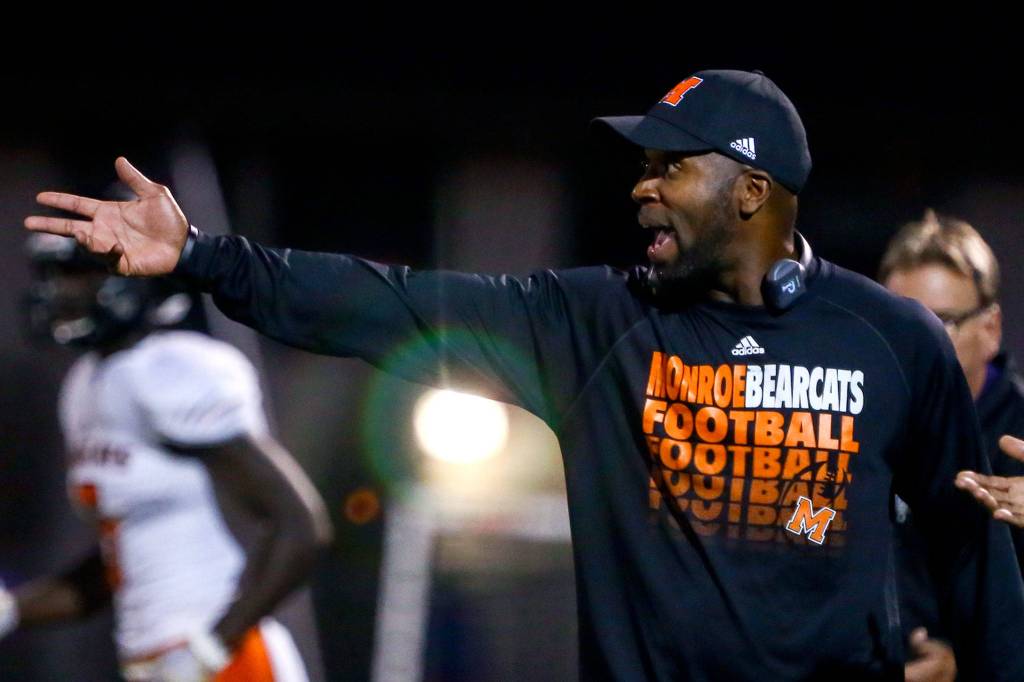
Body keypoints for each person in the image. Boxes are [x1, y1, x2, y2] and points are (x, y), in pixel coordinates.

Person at [23, 69, 1024, 680]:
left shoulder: (892, 339)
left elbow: (969, 561)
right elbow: (395, 303)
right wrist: (205, 255)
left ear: (751, 189)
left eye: (669, 166)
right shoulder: (601, 321)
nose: (641, 188)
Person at [0, 233, 333, 681]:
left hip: (226, 660)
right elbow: (118, 561)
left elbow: (301, 525)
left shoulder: (169, 372)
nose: (60, 290)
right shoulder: (86, 384)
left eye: (78, 273)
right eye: (55, 275)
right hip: (156, 661)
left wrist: (212, 648)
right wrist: (12, 609)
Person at [880, 211, 1024, 681]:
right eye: (900, 321)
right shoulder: (853, 426)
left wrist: (963, 665)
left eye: (939, 323)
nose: (916, 344)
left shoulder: (1019, 438)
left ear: (991, 328)